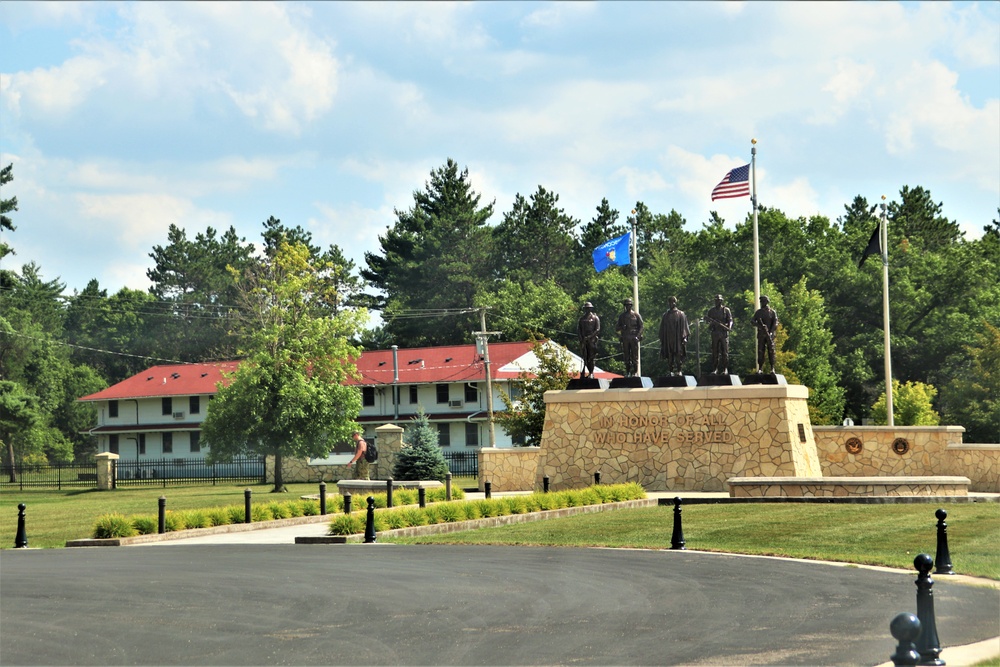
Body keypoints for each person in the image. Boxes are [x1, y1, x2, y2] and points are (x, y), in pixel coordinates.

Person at [659, 296, 690, 375]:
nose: (671, 304)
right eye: (669, 302)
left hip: (678, 338)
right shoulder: (665, 315)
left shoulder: (680, 314)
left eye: (673, 302)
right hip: (668, 338)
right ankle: (671, 371)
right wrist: (662, 339)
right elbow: (662, 328)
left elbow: (684, 327)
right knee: (669, 355)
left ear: (675, 303)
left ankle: (679, 370)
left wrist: (685, 337)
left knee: (678, 355)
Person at [615, 298, 644, 377]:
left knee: (635, 356)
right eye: (626, 305)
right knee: (626, 356)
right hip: (625, 338)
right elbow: (617, 328)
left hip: (633, 337)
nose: (628, 306)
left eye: (629, 305)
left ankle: (635, 372)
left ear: (631, 306)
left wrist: (637, 336)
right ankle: (628, 372)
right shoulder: (622, 316)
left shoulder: (636, 315)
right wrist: (622, 327)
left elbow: (641, 326)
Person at [705, 294, 733, 375]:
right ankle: (715, 369)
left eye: (718, 300)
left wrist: (729, 327)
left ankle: (725, 369)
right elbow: (707, 321)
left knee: (725, 352)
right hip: (715, 333)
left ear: (721, 301)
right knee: (715, 352)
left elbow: (730, 320)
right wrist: (712, 323)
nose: (717, 301)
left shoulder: (726, 310)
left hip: (724, 333)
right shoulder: (711, 311)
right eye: (716, 300)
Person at [751, 295, 778, 374]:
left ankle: (772, 368)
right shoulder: (758, 312)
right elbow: (752, 321)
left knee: (771, 351)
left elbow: (775, 323)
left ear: (767, 302)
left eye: (763, 301)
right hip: (761, 335)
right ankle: (760, 368)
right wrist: (759, 326)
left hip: (770, 335)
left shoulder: (772, 312)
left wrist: (771, 332)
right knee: (760, 351)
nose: (762, 303)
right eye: (761, 301)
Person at [577, 301, 601, 379]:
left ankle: (591, 372)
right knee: (585, 357)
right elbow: (579, 330)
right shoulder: (581, 319)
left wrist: (590, 337)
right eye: (586, 308)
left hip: (592, 340)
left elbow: (597, 329)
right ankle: (587, 371)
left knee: (591, 357)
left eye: (589, 308)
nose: (588, 310)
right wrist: (581, 339)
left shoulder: (595, 318)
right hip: (584, 340)